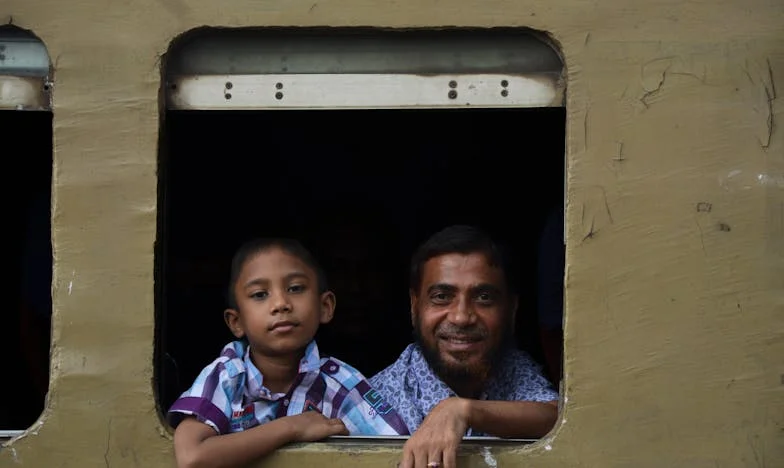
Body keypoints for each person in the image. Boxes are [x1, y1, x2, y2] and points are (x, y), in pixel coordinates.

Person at [168, 238, 409, 468]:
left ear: (325, 307)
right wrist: (292, 428)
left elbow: (394, 452)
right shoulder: (226, 376)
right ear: (236, 322)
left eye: (295, 288)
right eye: (260, 294)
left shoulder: (339, 383)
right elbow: (193, 456)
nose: (281, 303)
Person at [370, 225, 559, 468]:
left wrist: (462, 411)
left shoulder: (515, 369)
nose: (461, 317)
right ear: (414, 306)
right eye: (441, 296)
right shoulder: (376, 401)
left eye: (484, 297)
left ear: (512, 311)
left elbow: (559, 417)